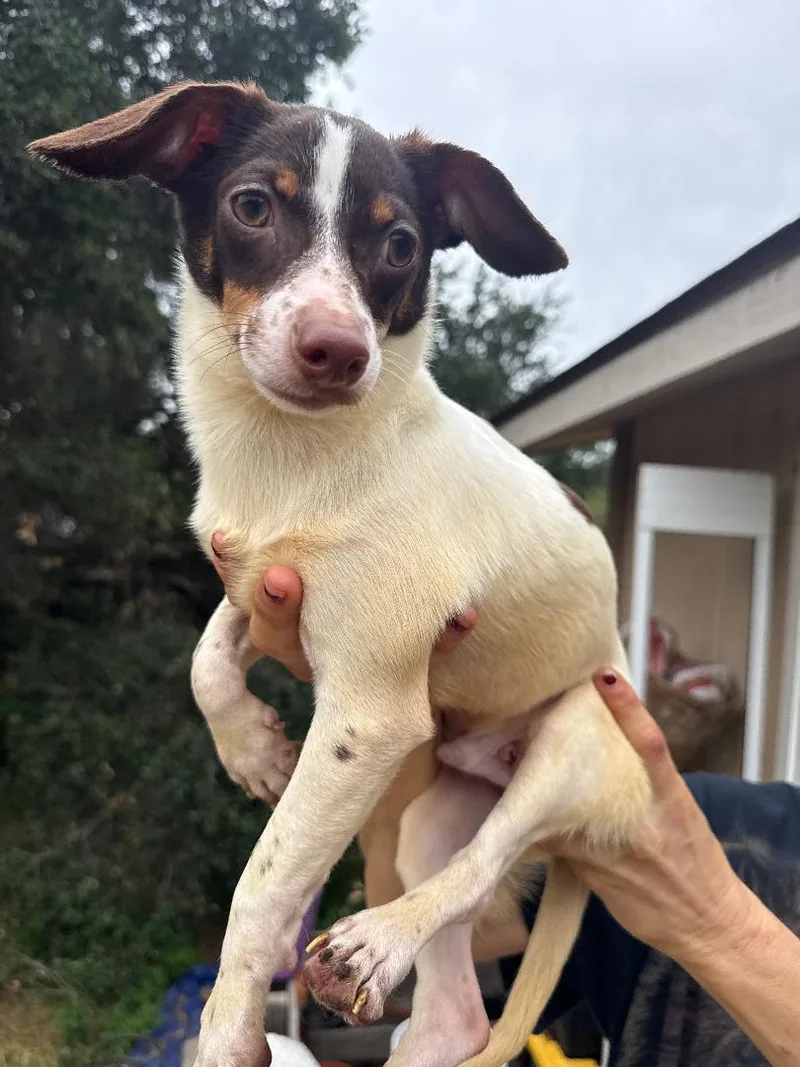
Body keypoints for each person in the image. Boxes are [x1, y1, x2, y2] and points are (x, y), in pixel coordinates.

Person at [211, 546, 800, 1066]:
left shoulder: (720, 850)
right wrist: (406, 710)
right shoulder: (722, 820)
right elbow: (409, 920)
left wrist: (714, 920)